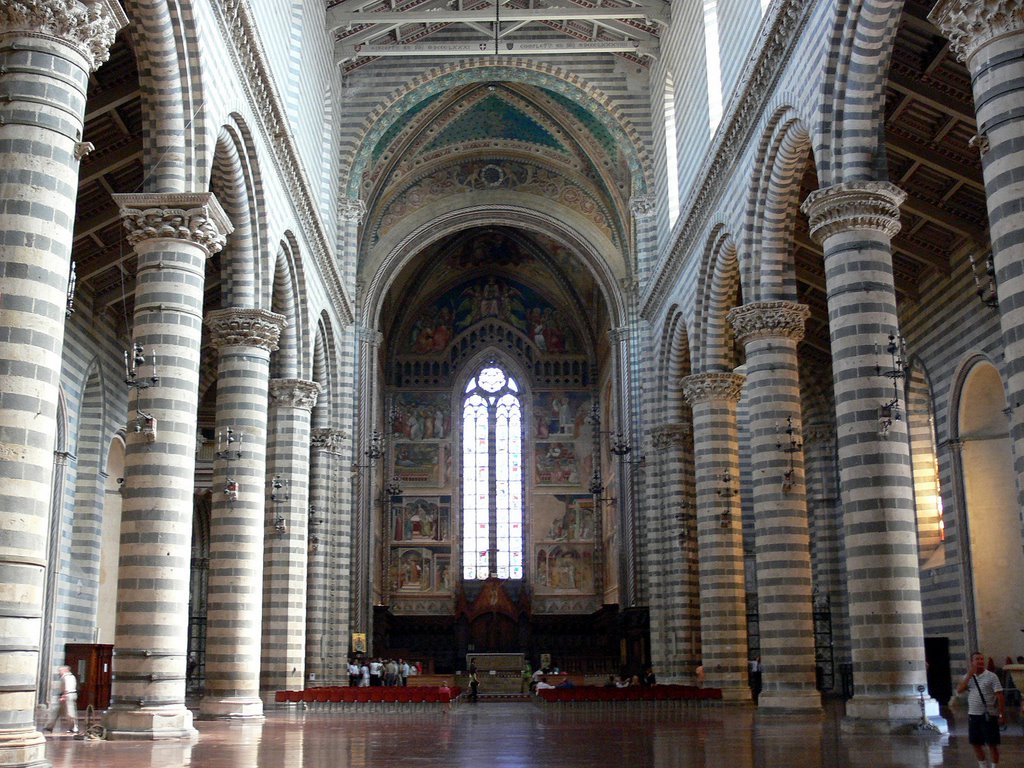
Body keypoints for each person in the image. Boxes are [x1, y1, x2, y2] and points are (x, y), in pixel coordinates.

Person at [957, 651, 1005, 768]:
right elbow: (959, 690)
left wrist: (1001, 714)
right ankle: (983, 765)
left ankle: (994, 766)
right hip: (973, 715)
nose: (980, 661)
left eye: (982, 659)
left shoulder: (991, 676)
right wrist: (969, 675)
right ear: (972, 662)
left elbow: (999, 696)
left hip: (988, 715)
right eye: (977, 659)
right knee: (975, 743)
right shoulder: (968, 677)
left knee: (992, 744)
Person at [44, 665, 78, 735]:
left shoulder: (67, 677)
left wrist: (64, 696)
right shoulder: (70, 677)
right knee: (56, 711)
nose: (59, 672)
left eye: (60, 671)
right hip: (68, 695)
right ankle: (49, 726)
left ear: (65, 670)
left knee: (70, 713)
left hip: (68, 696)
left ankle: (74, 727)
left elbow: (67, 687)